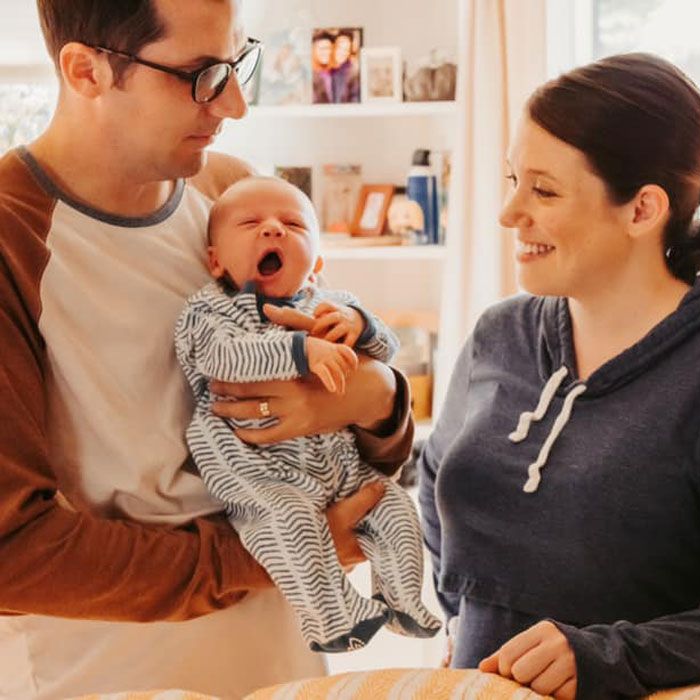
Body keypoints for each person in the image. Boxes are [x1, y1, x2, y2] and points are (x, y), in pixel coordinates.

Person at [0, 1, 414, 698]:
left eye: (236, 62)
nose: (236, 103)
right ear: (86, 71)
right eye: (200, 75)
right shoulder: (15, 239)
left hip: (279, 660)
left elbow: (338, 424)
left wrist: (380, 398)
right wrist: (269, 552)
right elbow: (14, 551)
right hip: (110, 674)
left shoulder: (228, 193)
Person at [418, 53, 700, 699]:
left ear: (641, 210)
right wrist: (464, 623)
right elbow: (438, 484)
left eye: (542, 190)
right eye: (512, 178)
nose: (508, 211)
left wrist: (603, 655)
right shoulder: (500, 333)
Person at [175, 176, 441, 652]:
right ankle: (332, 619)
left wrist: (360, 326)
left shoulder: (331, 304)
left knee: (395, 504)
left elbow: (388, 347)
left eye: (293, 224)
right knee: (290, 521)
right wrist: (300, 351)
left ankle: (401, 596)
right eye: (252, 223)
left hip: (336, 463)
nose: (273, 230)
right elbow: (223, 359)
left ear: (317, 262)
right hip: (256, 467)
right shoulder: (209, 311)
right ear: (215, 259)